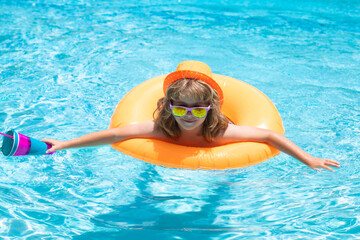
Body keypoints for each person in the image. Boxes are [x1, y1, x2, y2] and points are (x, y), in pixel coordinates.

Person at [42, 61, 340, 172]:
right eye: (180, 108)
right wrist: (65, 144)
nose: (188, 116)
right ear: (168, 105)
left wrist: (308, 159)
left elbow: (268, 136)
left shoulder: (220, 132)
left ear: (210, 109)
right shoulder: (162, 129)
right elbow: (117, 134)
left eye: (197, 109)